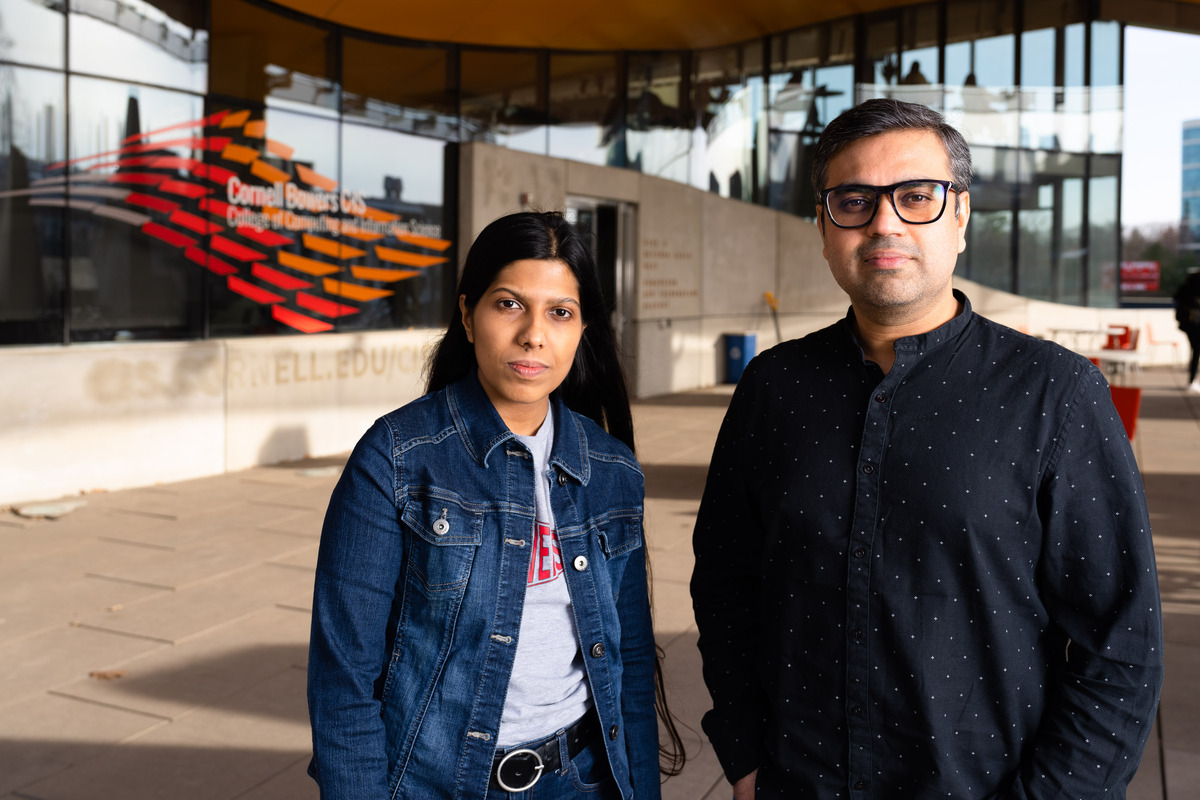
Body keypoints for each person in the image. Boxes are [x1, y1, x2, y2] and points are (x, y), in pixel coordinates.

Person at [691, 98, 1163, 799]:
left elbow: (1120, 642)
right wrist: (745, 755)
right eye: (853, 200)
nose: (885, 222)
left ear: (961, 216)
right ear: (824, 226)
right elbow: (727, 585)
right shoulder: (774, 388)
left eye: (917, 197)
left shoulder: (1056, 393)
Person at [309, 211, 681, 799]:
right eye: (509, 304)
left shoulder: (610, 470)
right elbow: (344, 679)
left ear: (583, 329)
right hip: (438, 782)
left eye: (560, 312)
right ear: (467, 313)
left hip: (582, 780)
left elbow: (628, 661)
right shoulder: (398, 458)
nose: (534, 333)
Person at [1174, 268, 1200, 393]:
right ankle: (1192, 380)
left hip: (1188, 325)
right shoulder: (1195, 291)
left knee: (1194, 350)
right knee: (1196, 351)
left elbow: (1176, 297)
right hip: (1196, 324)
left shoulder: (1185, 288)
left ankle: (1192, 379)